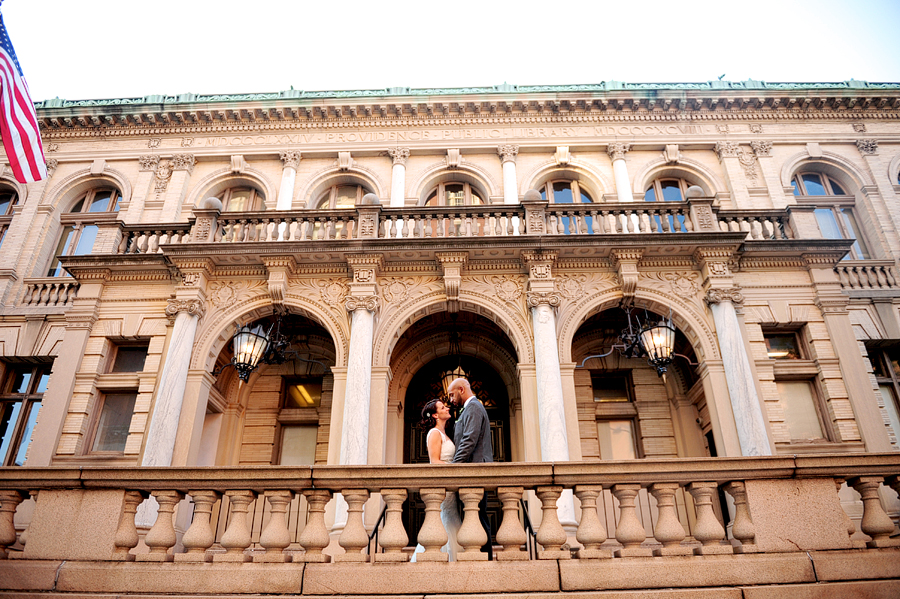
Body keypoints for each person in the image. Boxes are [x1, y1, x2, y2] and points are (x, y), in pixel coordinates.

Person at [410, 398, 463, 561]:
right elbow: (435, 461)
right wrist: (456, 470)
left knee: (451, 520)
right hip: (444, 486)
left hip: (450, 487)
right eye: (442, 407)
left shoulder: (445, 433)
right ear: (435, 415)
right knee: (445, 520)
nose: (447, 408)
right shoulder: (434, 433)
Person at [447, 376, 494, 560]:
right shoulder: (467, 409)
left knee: (479, 515)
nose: (450, 400)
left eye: (452, 394)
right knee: (475, 515)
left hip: (476, 470)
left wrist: (454, 467)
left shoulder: (474, 407)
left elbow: (469, 440)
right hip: (471, 470)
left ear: (461, 390)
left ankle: (487, 558)